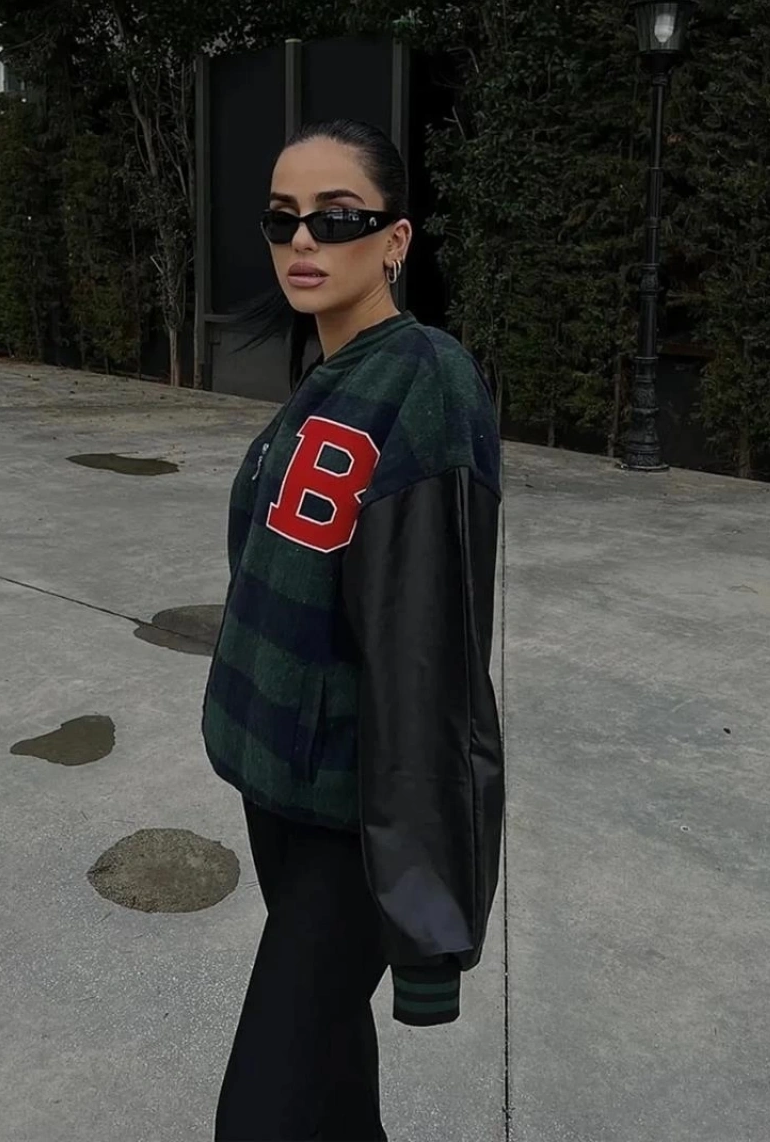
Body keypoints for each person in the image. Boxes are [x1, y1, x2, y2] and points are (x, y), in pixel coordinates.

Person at [202, 117, 504, 1142]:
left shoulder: (427, 382)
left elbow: (431, 665)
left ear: (394, 240)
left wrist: (426, 922)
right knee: (325, 1070)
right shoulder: (328, 374)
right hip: (281, 789)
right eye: (283, 218)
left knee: (262, 1113)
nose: (303, 239)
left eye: (336, 217)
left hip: (353, 816)